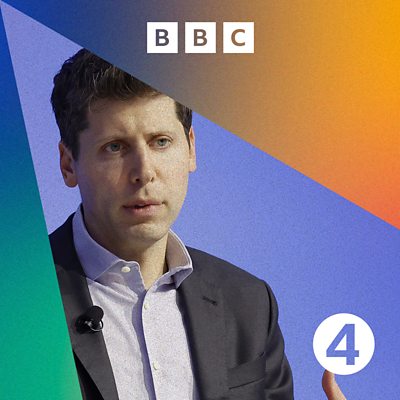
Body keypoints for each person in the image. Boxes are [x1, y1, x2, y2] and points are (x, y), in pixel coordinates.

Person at [49, 49, 347, 400]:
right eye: (115, 147)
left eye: (161, 142)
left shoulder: (250, 304)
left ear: (190, 149)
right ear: (68, 164)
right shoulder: (16, 299)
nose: (144, 172)